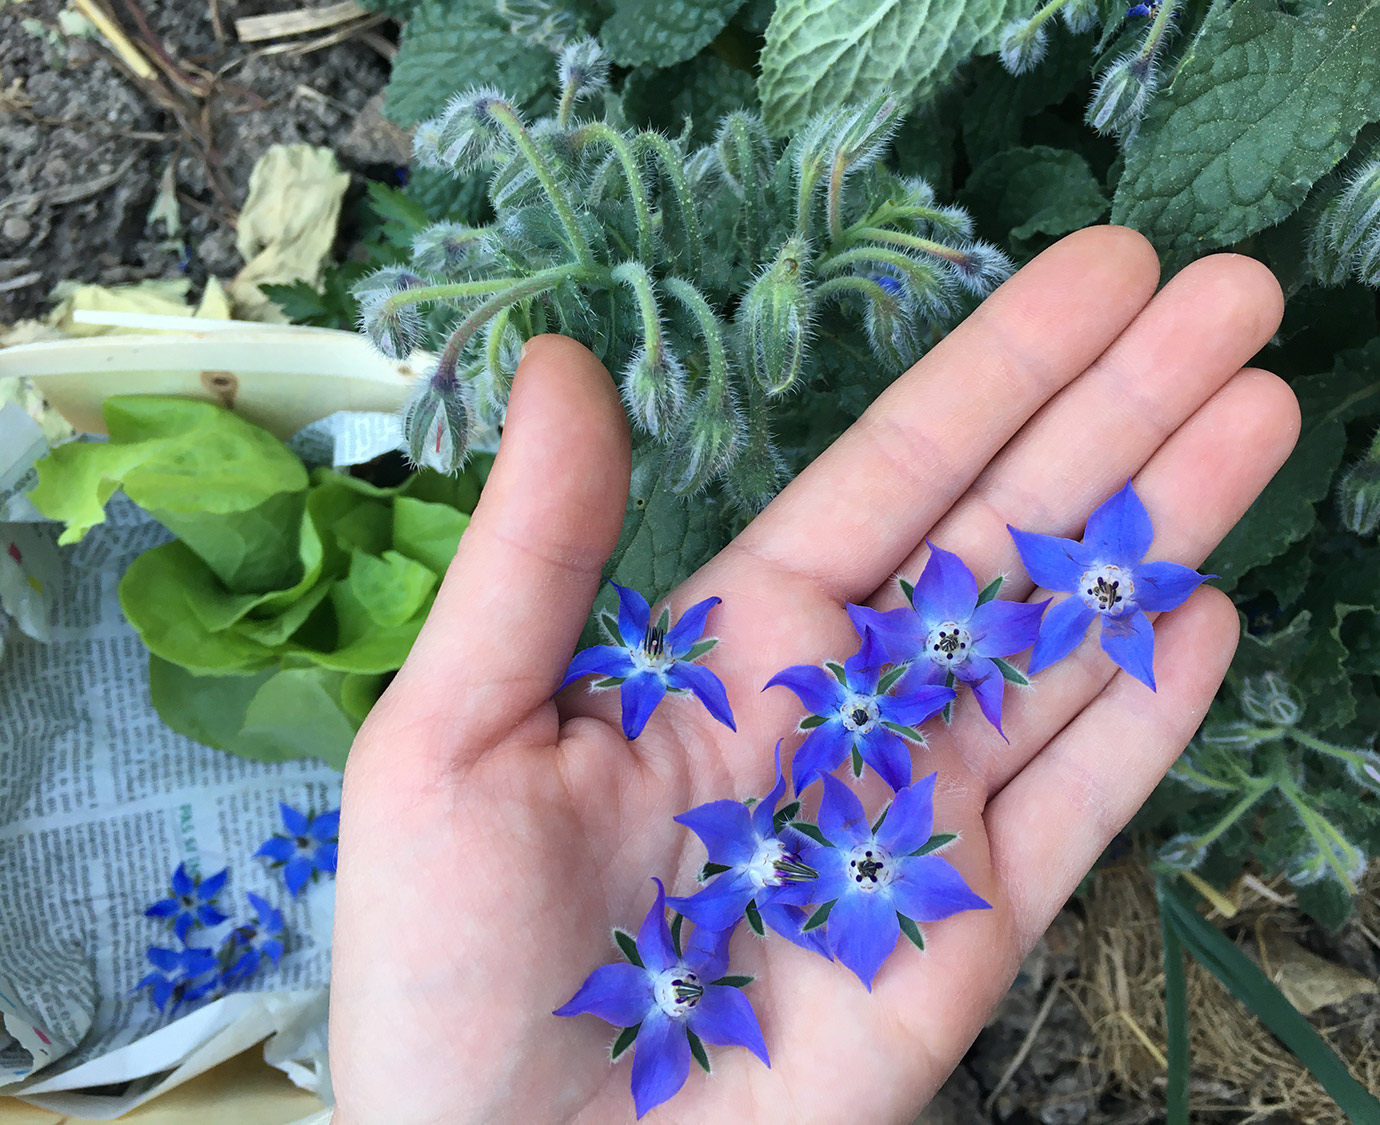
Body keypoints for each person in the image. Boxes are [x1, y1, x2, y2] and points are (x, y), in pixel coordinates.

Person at [326, 225, 1296, 1122]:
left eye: (864, 864)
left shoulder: (975, 675)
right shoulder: (757, 881)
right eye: (868, 862)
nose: (867, 864)